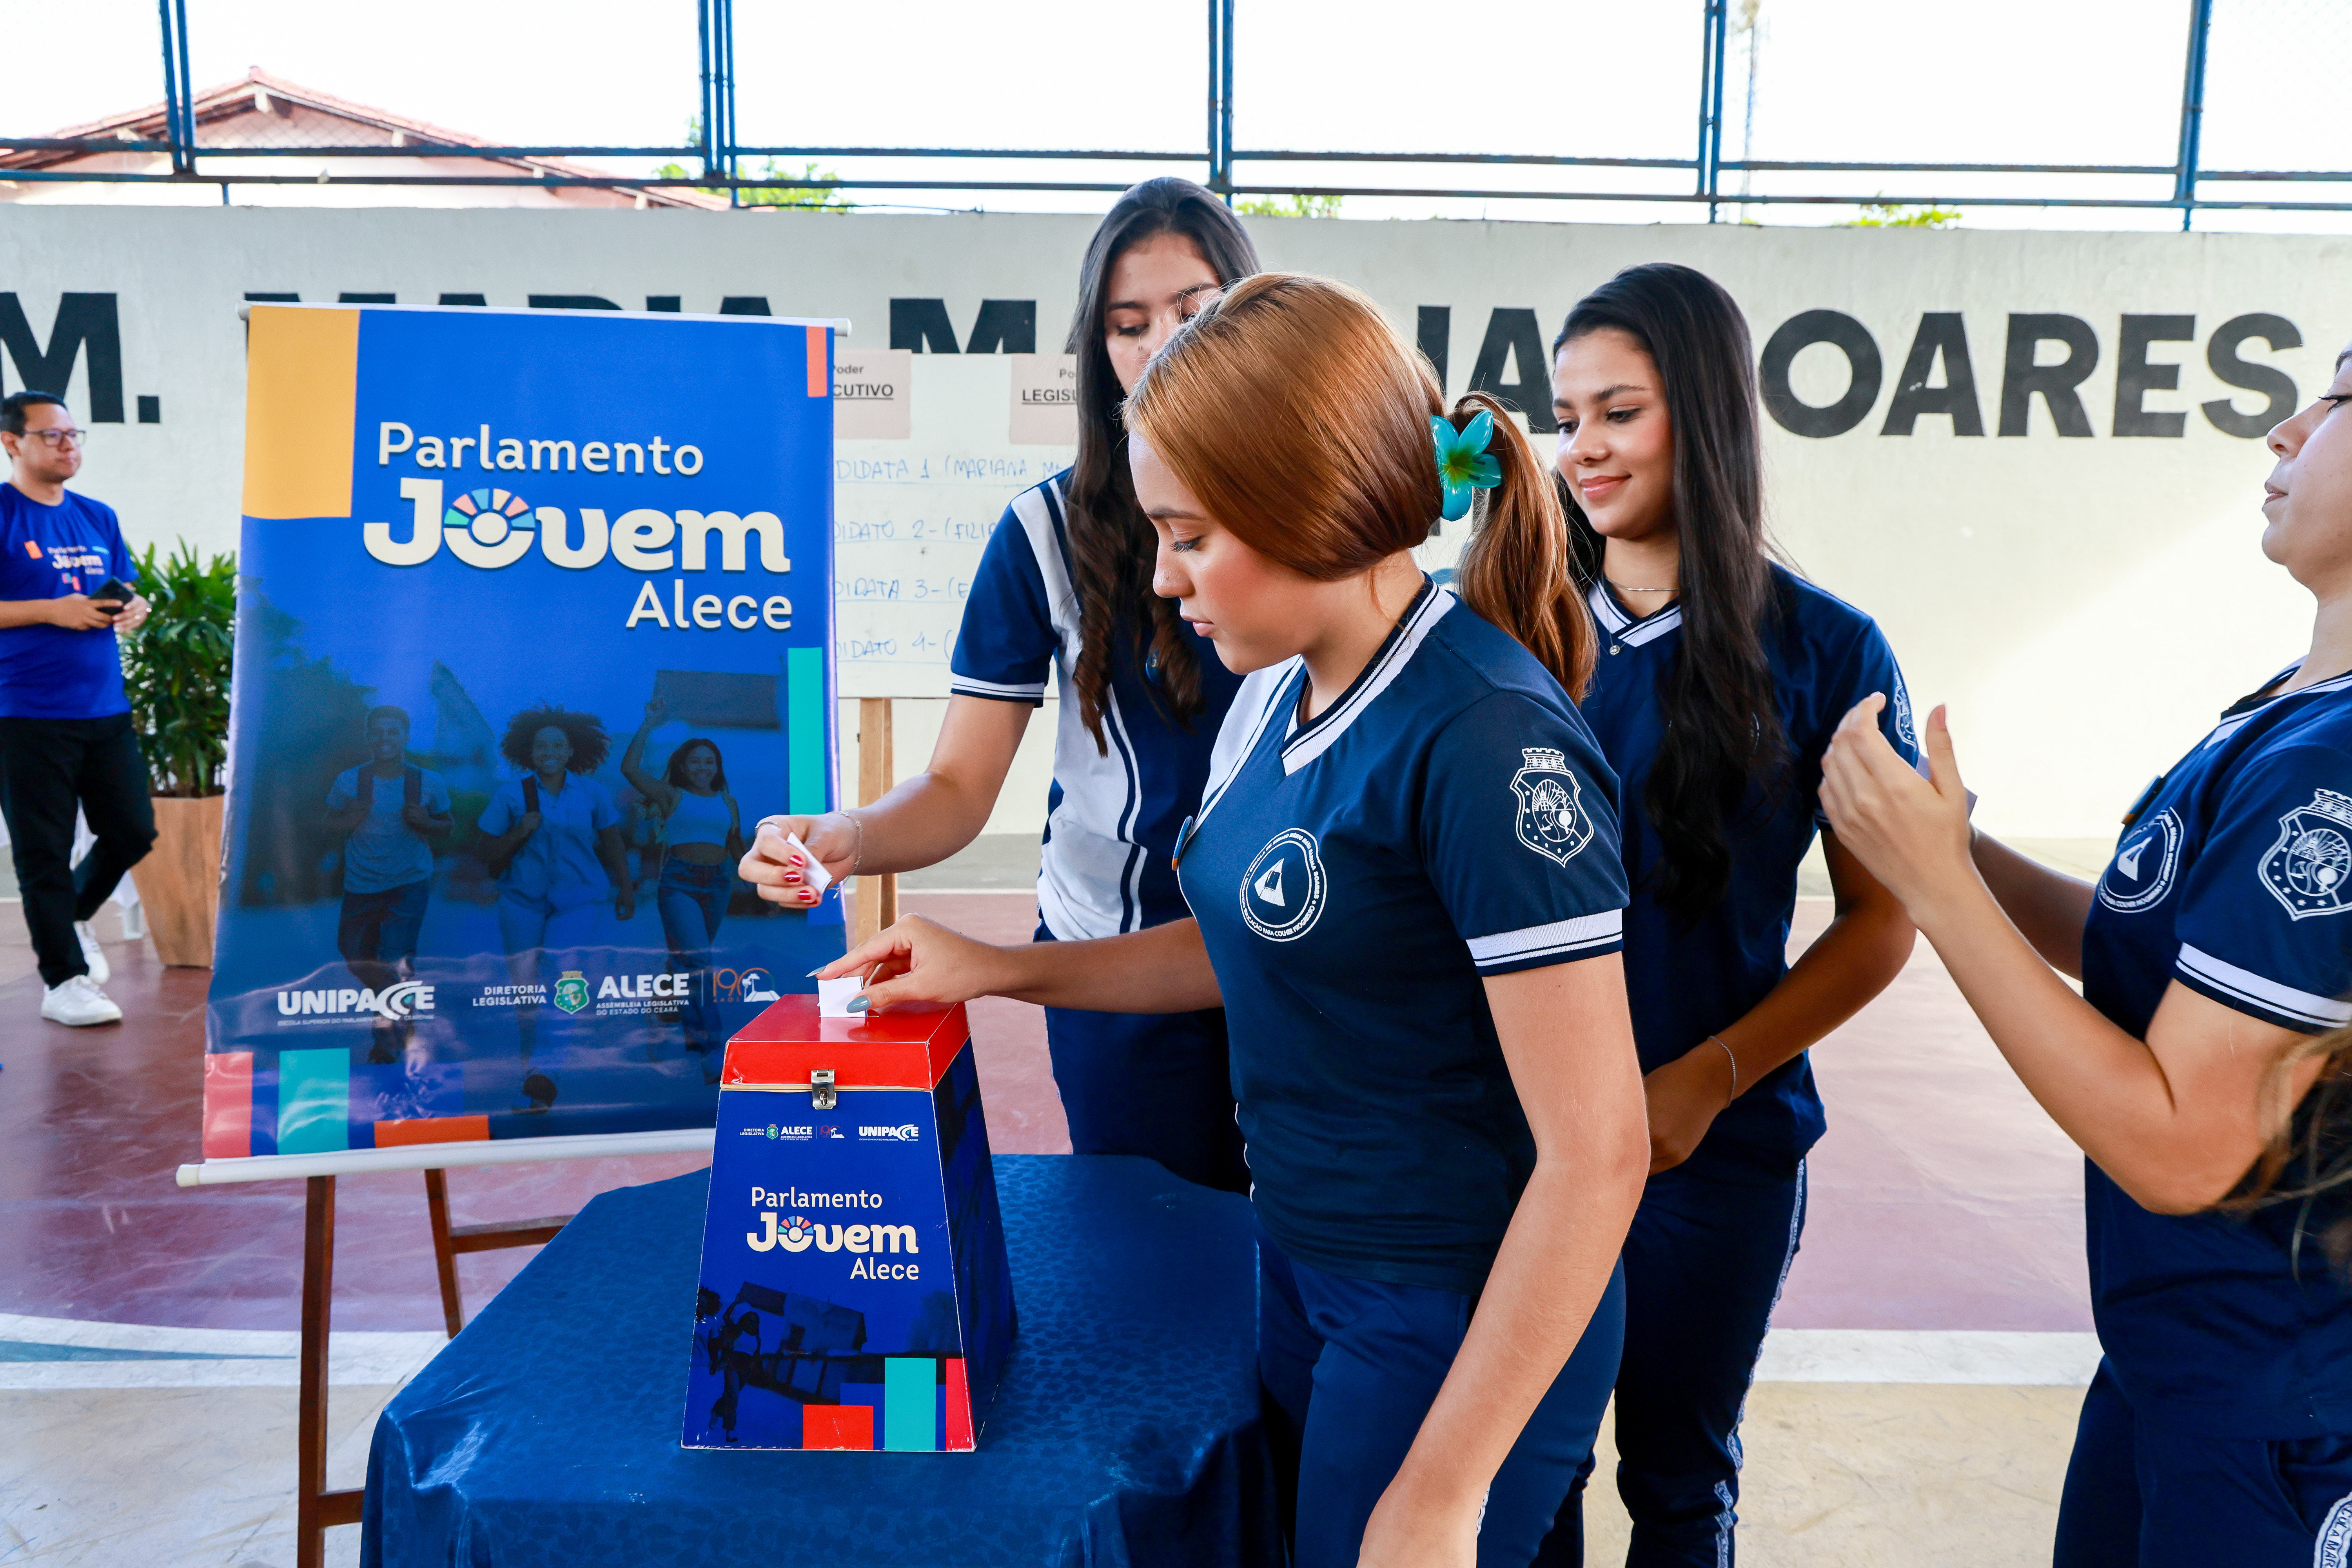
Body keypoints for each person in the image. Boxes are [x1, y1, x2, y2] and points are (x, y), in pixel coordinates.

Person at [814, 274, 1651, 1568]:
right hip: (1308, 1262)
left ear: (1311, 506)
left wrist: (1443, 1490)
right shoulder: (1278, 692)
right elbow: (1246, 945)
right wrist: (993, 968)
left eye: (1190, 537)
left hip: (1449, 1306)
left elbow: (1598, 1153)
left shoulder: (1485, 741)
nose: (1162, 578)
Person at [1816, 339, 2352, 1566]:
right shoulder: (2286, 707)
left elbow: (2182, 1148)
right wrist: (1948, 844)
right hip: (2172, 1369)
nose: (2283, 429)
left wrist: (1936, 886)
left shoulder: (2329, 774)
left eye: (2335, 398)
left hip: (2276, 1421)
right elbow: (2142, 947)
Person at [740, 177, 1263, 1194]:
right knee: (1146, 1250)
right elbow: (958, 785)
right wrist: (851, 834)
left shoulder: (1323, 522)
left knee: (1303, 1261)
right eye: (1129, 324)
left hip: (1299, 959)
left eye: (1196, 312)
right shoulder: (1044, 533)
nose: (1163, 345)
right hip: (1113, 964)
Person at [1534, 265, 1919, 1564]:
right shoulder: (1505, 626)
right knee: (1529, 1474)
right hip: (1518, 1144)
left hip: (1714, 1153)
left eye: (1619, 412)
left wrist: (1709, 1077)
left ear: (1703, 415)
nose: (1583, 448)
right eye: (1567, 417)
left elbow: (1880, 923)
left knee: (1680, 1483)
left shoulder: (1831, 650)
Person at [0, 390, 154, 1028]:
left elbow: (125, 586)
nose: (68, 445)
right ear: (12, 442)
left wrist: (135, 606)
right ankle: (63, 981)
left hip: (103, 708)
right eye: (52, 435)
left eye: (73, 435)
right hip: (25, 713)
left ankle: (73, 917)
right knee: (44, 852)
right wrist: (49, 610)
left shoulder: (97, 516)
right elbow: (51, 607)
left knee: (133, 831)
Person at [476, 706, 632, 1111]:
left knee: (564, 978)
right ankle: (533, 1071)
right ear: (529, 752)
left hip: (579, 901)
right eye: (542, 745)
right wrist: (519, 831)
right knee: (527, 991)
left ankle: (546, 1075)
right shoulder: (511, 795)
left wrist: (626, 887)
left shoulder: (592, 793)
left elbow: (612, 841)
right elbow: (486, 850)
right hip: (522, 901)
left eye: (558, 745)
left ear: (571, 750)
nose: (550, 752)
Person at [621, 695, 744, 1080]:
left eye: (710, 762)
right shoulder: (671, 795)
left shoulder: (729, 802)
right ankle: (710, 1048)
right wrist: (648, 723)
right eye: (695, 761)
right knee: (700, 963)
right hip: (680, 884)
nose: (702, 767)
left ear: (717, 768)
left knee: (686, 963)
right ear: (682, 766)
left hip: (718, 883)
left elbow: (736, 847)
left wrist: (760, 880)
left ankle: (660, 1014)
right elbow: (630, 769)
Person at [323, 705, 452, 1062]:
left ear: (406, 737)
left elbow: (447, 827)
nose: (385, 738)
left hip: (410, 881)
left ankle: (387, 1040)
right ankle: (403, 1010)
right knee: (354, 957)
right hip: (361, 882)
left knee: (395, 959)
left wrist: (426, 822)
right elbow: (328, 823)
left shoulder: (428, 782)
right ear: (368, 737)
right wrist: (349, 818)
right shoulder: (350, 780)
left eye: (393, 732)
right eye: (378, 732)